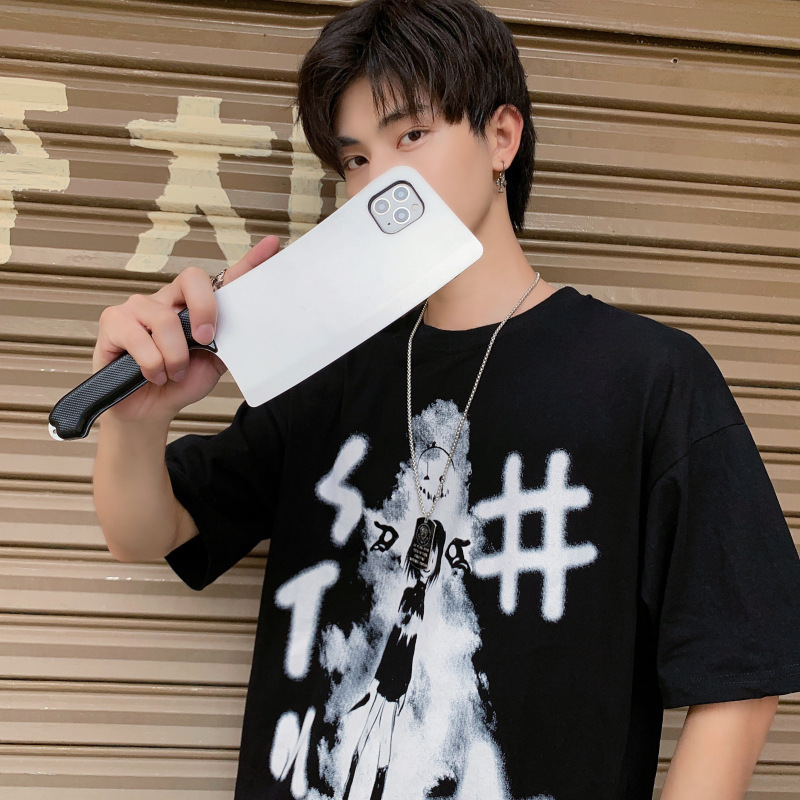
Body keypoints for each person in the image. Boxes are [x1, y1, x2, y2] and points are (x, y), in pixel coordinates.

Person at [91, 1, 800, 798]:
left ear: (502, 137)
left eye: (412, 136)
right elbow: (145, 531)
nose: (379, 182)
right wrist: (137, 421)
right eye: (355, 159)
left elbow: (742, 670)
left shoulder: (649, 376)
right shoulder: (325, 367)